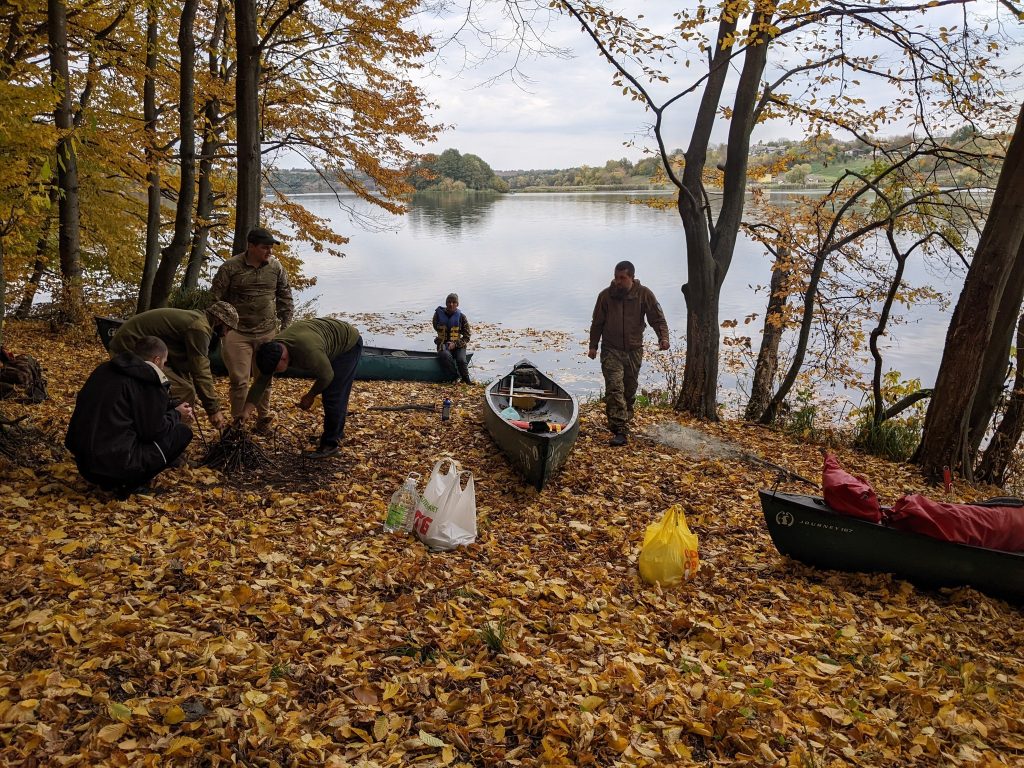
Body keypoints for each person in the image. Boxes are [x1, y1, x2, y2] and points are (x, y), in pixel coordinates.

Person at [65, 336, 194, 497]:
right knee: (182, 432)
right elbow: (153, 432)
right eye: (164, 362)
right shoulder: (149, 380)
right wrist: (177, 414)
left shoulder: (105, 369)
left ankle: (115, 476)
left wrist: (169, 406)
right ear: (157, 360)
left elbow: (129, 406)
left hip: (83, 463)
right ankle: (128, 484)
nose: (164, 366)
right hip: (115, 466)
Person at [238, 318, 363, 458]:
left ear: (283, 358)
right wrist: (245, 412)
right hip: (323, 340)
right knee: (331, 392)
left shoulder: (308, 351)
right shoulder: (272, 350)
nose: (273, 373)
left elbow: (327, 376)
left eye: (275, 370)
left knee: (333, 395)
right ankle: (336, 433)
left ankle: (330, 445)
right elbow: (260, 383)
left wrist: (311, 395)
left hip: (348, 344)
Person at [212, 226, 294, 431]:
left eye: (271, 247)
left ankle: (263, 420)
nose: (269, 251)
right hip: (236, 333)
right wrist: (220, 326)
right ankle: (238, 424)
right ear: (251, 246)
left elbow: (285, 297)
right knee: (239, 381)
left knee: (265, 378)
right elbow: (214, 299)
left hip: (267, 332)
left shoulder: (276, 267)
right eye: (265, 247)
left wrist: (285, 328)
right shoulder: (230, 267)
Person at [109, 302, 238, 429]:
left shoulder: (198, 320)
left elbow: (185, 364)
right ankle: (173, 433)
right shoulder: (199, 328)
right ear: (219, 320)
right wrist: (213, 410)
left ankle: (164, 424)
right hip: (128, 349)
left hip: (139, 348)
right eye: (227, 328)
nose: (226, 334)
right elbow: (201, 370)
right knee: (184, 390)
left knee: (186, 386)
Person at [588, 260, 670, 446]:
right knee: (614, 388)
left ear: (631, 277)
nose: (617, 281)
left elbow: (657, 319)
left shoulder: (644, 294)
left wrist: (663, 338)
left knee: (629, 390)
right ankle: (619, 430)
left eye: (622, 278)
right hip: (611, 349)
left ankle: (625, 420)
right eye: (616, 277)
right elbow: (597, 322)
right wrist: (593, 346)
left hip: (634, 350)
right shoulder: (605, 296)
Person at [432, 292, 472, 384]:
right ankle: (454, 377)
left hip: (458, 345)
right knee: (445, 355)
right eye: (449, 302)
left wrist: (455, 344)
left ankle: (466, 379)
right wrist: (442, 341)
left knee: (461, 360)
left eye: (454, 302)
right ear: (446, 303)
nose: (451, 304)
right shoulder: (437, 315)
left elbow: (467, 337)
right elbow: (436, 327)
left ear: (457, 304)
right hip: (443, 344)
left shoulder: (462, 317)